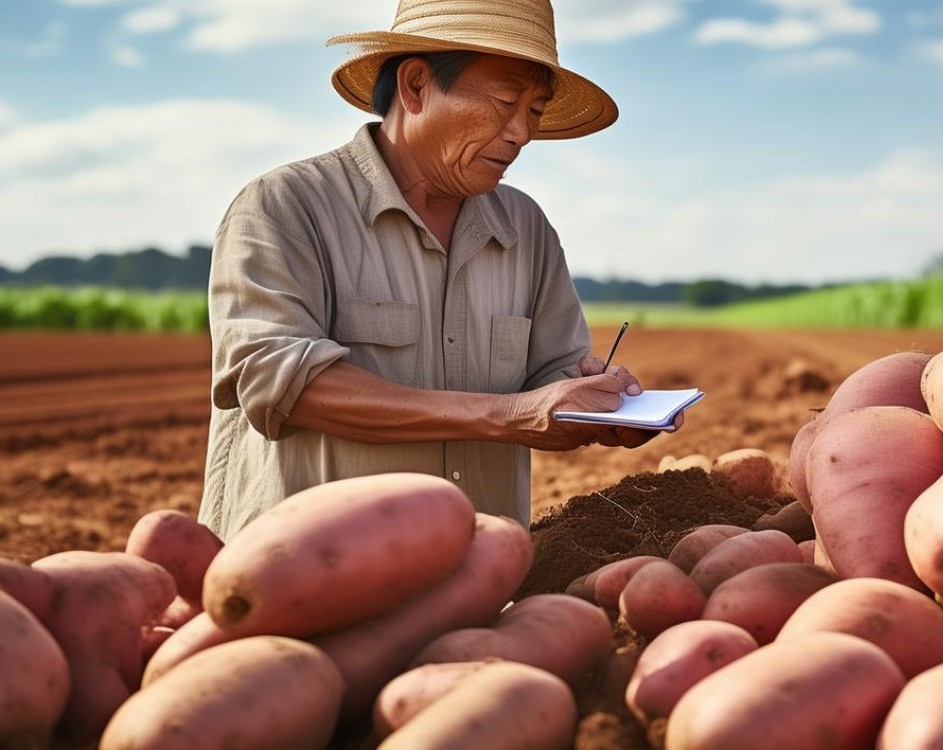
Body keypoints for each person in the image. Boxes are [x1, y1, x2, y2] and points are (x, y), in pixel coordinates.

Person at [199, 0, 672, 541]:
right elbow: (285, 385)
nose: (521, 133)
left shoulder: (527, 228)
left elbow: (551, 377)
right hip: (303, 577)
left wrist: (591, 405)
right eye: (504, 101)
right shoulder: (284, 206)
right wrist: (511, 413)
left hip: (477, 580)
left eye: (536, 111)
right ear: (417, 86)